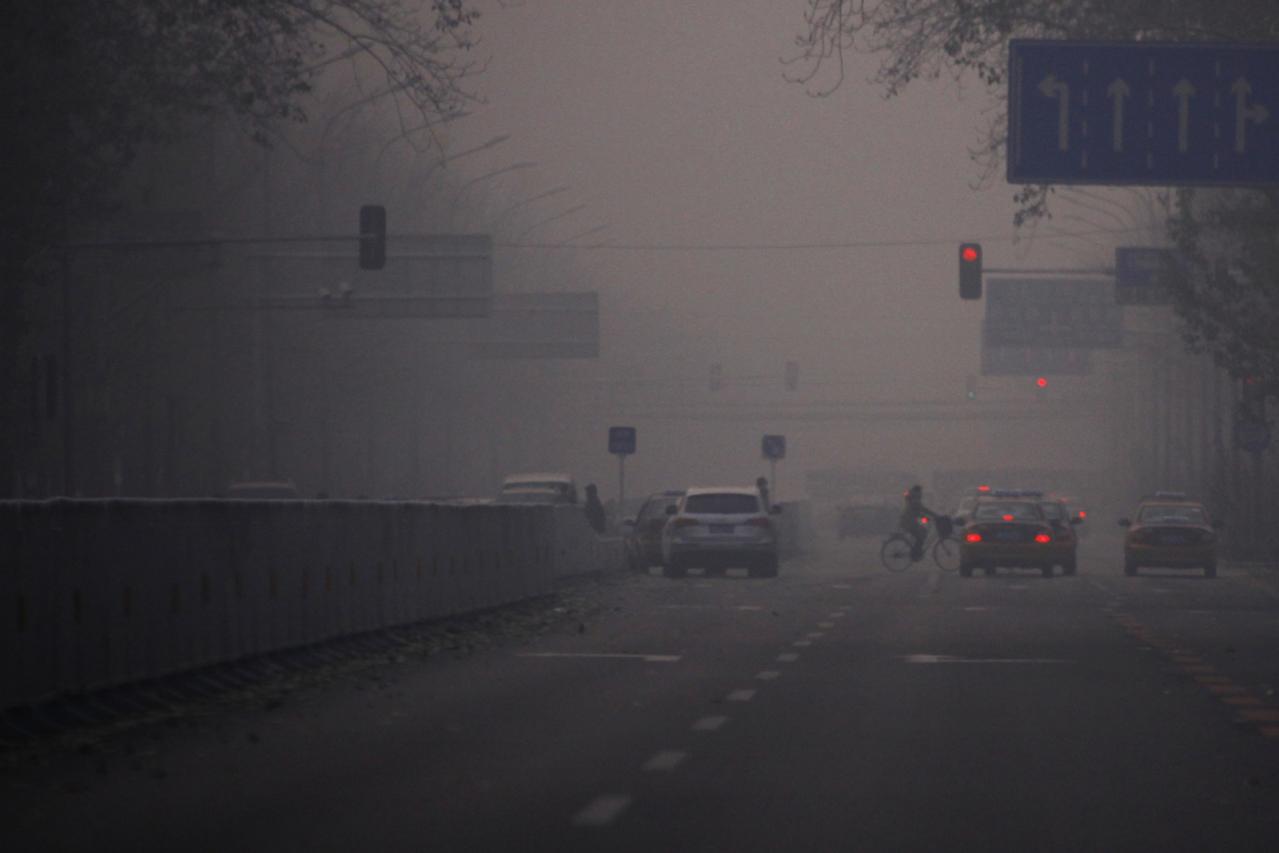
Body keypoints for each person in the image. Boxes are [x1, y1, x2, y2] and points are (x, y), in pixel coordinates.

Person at [899, 484, 936, 560]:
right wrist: (934, 516)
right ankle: (915, 554)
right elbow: (922, 510)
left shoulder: (912, 500)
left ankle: (916, 551)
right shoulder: (915, 501)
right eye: (920, 492)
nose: (921, 494)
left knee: (923, 532)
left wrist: (927, 518)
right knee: (921, 536)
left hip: (909, 522)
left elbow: (919, 513)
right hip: (909, 524)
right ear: (918, 492)